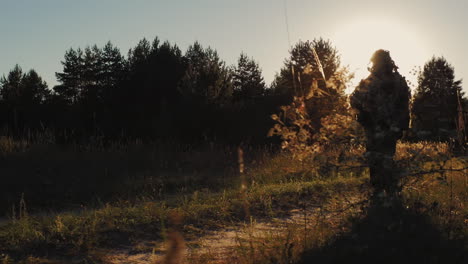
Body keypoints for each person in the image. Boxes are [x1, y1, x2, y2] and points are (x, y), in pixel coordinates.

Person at [350, 50, 410, 198]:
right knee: (379, 159)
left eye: (378, 62)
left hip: (386, 128)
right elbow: (354, 99)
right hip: (377, 127)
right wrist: (363, 115)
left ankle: (386, 193)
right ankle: (383, 193)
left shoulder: (394, 81)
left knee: (383, 159)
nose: (378, 65)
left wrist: (401, 125)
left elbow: (404, 104)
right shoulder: (374, 80)